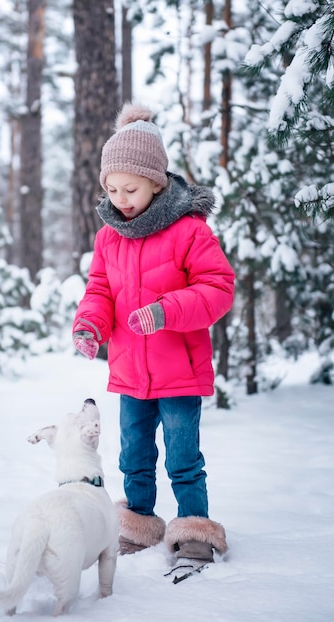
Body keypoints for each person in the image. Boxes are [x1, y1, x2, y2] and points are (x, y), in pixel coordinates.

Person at [72, 102, 234, 576]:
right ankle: (139, 523)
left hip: (178, 371)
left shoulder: (189, 231)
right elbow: (100, 290)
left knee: (184, 457)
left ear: (157, 182)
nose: (120, 198)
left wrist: (167, 311)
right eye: (112, 188)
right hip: (129, 371)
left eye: (131, 188)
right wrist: (90, 326)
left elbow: (217, 290)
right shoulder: (109, 238)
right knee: (133, 456)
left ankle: (194, 531)